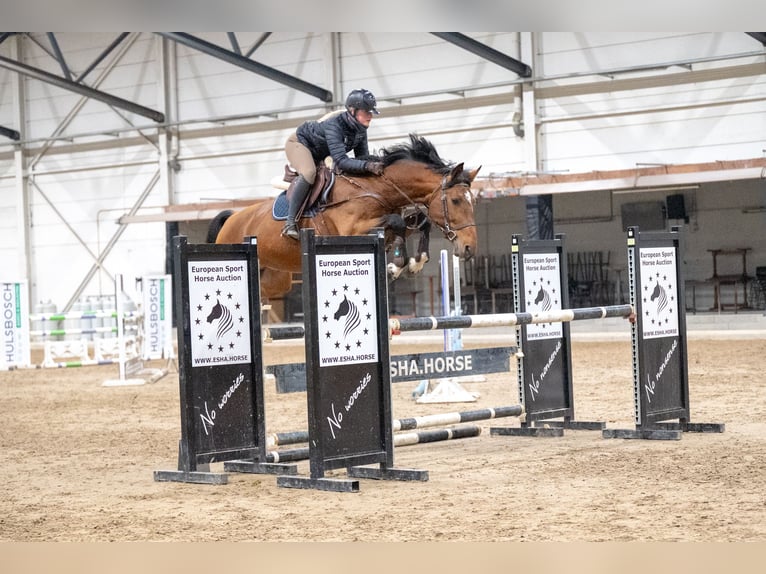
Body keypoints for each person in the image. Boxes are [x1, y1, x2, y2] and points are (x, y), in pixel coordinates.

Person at [281, 88, 385, 240]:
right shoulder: (335, 126)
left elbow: (362, 157)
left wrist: (378, 163)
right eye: (366, 112)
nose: (370, 116)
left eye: (371, 112)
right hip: (299, 144)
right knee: (309, 173)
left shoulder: (360, 129)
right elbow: (342, 161)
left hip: (321, 152)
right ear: (352, 110)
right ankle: (290, 223)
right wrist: (368, 166)